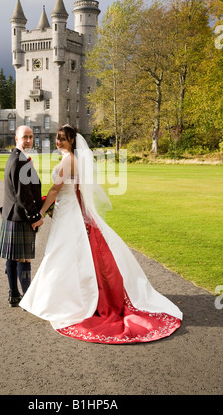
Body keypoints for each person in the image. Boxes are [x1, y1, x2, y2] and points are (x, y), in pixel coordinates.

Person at [20, 125, 182, 344]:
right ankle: (62, 296)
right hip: (66, 209)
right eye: (57, 138)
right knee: (65, 254)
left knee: (62, 253)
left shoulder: (69, 161)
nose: (59, 142)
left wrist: (40, 211)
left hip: (69, 212)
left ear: (72, 142)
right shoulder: (70, 159)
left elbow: (56, 190)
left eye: (63, 139)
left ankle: (63, 300)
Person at [0, 125, 43, 307]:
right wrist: (35, 217)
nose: (29, 140)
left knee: (13, 257)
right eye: (25, 137)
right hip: (21, 216)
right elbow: (23, 195)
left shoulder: (15, 157)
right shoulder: (21, 161)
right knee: (24, 258)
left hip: (11, 215)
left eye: (31, 137)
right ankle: (28, 299)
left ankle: (14, 294)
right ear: (16, 138)